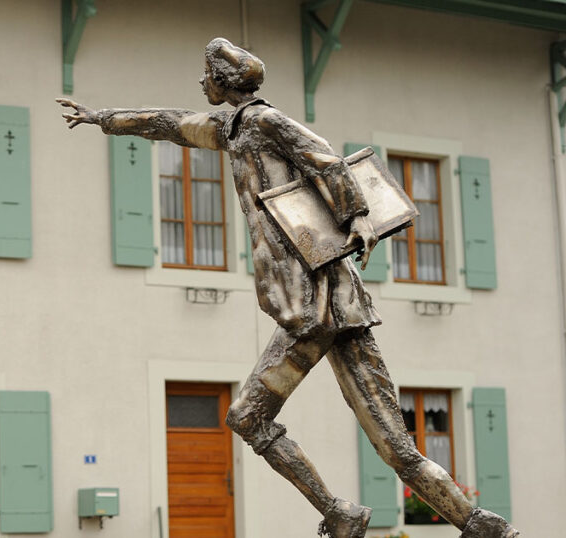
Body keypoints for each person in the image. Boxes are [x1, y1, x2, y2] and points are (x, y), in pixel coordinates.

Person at [57, 38, 519, 538]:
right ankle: (474, 526)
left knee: (249, 418)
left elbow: (324, 159)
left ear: (224, 81)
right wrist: (100, 117)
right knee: (392, 445)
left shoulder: (263, 121)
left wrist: (357, 216)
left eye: (205, 75)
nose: (200, 83)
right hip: (332, 306)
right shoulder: (231, 129)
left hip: (313, 305)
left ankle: (345, 514)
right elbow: (167, 123)